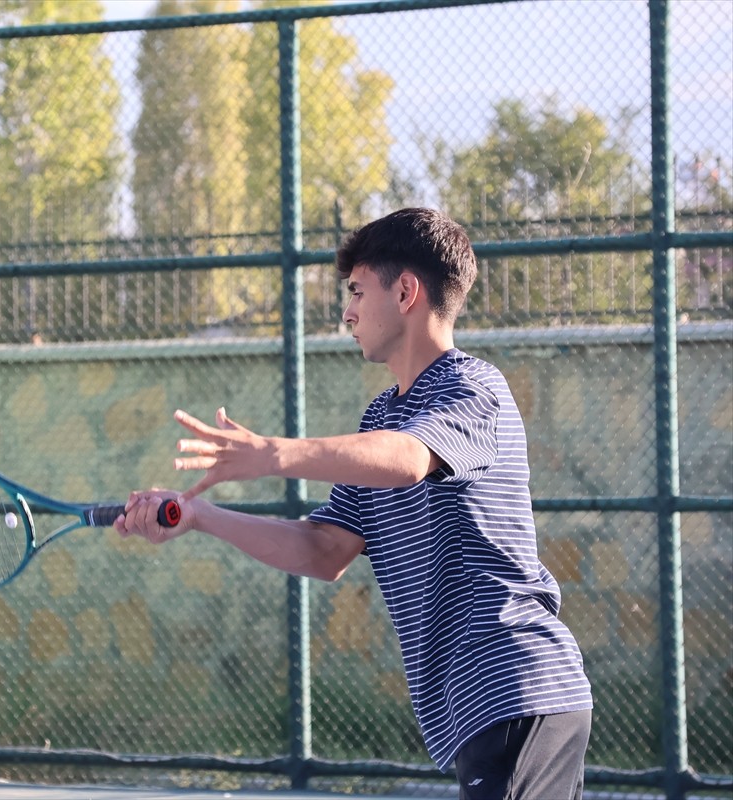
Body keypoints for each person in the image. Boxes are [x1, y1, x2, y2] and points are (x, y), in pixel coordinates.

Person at [115, 208, 593, 800]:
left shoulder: (475, 388)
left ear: (406, 291)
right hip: (478, 708)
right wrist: (201, 518)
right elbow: (324, 549)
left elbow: (410, 459)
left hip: (516, 684)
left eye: (357, 292)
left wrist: (274, 453)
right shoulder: (381, 416)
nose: (347, 312)